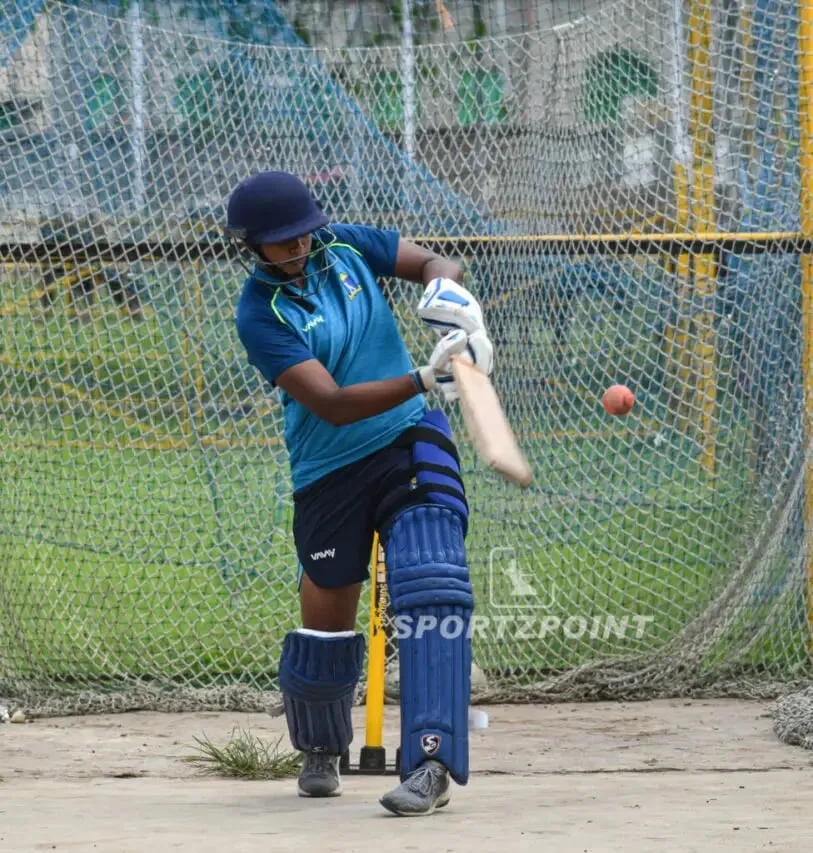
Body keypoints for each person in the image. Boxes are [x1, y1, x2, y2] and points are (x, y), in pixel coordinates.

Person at [226, 170, 493, 817]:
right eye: (278, 244)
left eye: (301, 237)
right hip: (329, 470)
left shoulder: (344, 245)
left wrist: (447, 293)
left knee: (432, 580)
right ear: (252, 246)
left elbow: (431, 257)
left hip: (407, 440)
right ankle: (319, 746)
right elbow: (333, 404)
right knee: (325, 625)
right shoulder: (260, 314)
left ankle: (430, 762)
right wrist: (426, 376)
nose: (294, 251)